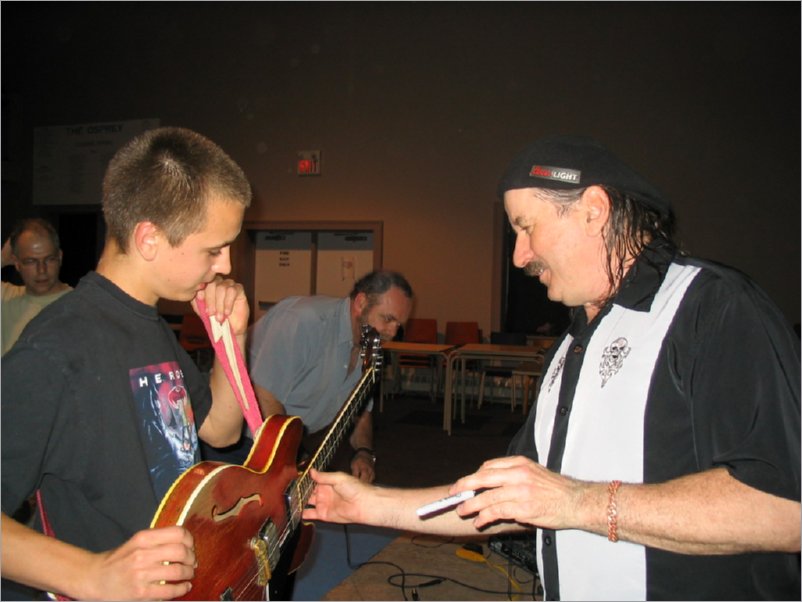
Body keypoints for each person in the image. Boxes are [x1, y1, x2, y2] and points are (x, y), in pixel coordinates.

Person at [302, 135, 801, 600]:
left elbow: (786, 509)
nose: (519, 256)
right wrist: (369, 505)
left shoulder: (709, 307)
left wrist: (577, 503)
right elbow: (512, 501)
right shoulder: (572, 344)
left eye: (525, 226)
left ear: (593, 210)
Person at [1, 126, 254, 601]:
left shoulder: (149, 325)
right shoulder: (56, 349)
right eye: (213, 249)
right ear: (149, 239)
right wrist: (92, 574)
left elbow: (219, 431)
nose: (224, 265)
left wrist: (231, 337)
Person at [243, 270, 414, 484]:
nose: (391, 332)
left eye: (399, 325)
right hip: (245, 442)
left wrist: (363, 452)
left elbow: (360, 409)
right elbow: (265, 395)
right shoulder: (304, 321)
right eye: (388, 319)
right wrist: (289, 463)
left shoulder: (369, 343)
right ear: (361, 303)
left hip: (289, 447)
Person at [1, 218, 72, 355]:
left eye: (49, 259)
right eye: (31, 261)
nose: (41, 270)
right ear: (16, 263)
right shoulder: (6, 298)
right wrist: (2, 259)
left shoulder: (79, 305)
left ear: (60, 257)